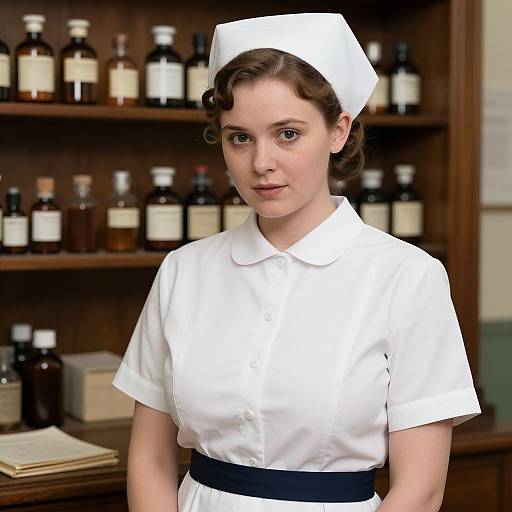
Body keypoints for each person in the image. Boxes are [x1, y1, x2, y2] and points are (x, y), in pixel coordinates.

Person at [112, 12, 482, 512]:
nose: (261, 162)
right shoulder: (183, 271)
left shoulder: (408, 277)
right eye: (239, 136)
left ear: (338, 131)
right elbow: (151, 460)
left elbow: (421, 489)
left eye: (287, 134)